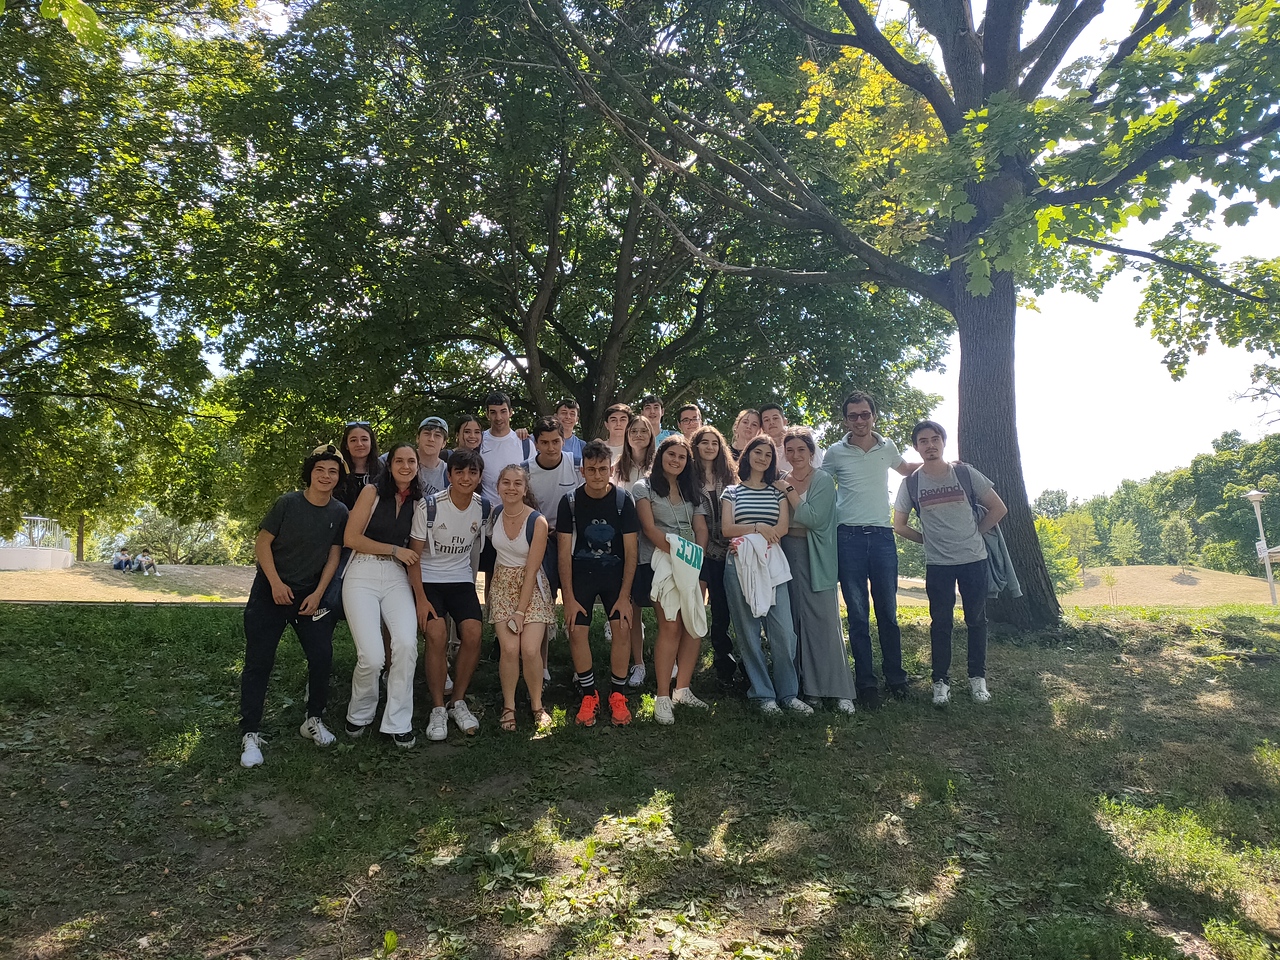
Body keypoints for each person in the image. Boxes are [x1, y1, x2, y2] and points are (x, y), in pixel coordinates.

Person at [238, 444, 349, 768]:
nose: (326, 476)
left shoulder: (339, 512)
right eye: (320, 470)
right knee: (259, 662)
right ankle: (250, 732)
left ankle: (313, 719)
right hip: (270, 592)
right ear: (310, 473)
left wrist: (319, 593)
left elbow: (334, 555)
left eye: (332, 471)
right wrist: (274, 583)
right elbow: (262, 543)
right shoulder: (288, 503)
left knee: (322, 656)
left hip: (308, 597)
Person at [893, 420, 1007, 707]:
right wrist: (927, 540)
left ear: (943, 442)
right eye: (923, 441)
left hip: (974, 560)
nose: (930, 445)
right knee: (940, 624)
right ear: (916, 446)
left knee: (977, 621)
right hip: (938, 564)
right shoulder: (911, 483)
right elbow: (899, 525)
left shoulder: (965, 473)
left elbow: (998, 507)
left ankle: (977, 679)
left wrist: (975, 533)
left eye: (935, 439)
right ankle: (940, 682)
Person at [821, 390, 916, 707]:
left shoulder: (887, 446)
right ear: (845, 419)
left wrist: (941, 462)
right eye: (853, 416)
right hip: (847, 537)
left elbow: (906, 470)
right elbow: (820, 486)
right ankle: (866, 684)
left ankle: (897, 679)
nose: (859, 420)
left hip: (882, 538)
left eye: (865, 414)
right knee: (858, 616)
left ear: (874, 416)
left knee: (888, 613)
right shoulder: (835, 452)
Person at [721, 436, 811, 715]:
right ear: (746, 456)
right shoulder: (731, 492)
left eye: (768, 455)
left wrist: (750, 529)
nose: (762, 458)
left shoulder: (777, 492)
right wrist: (759, 526)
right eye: (757, 452)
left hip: (772, 565)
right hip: (740, 565)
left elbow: (782, 528)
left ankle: (788, 694)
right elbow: (726, 529)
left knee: (784, 632)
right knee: (748, 631)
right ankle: (763, 694)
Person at [343, 443, 423, 747]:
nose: (405, 466)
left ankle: (398, 721)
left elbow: (416, 548)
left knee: (405, 644)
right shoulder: (372, 493)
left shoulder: (419, 501)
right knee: (373, 657)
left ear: (417, 466)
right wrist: (393, 549)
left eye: (411, 461)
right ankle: (360, 712)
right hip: (361, 571)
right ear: (389, 466)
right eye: (399, 461)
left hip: (395, 574)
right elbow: (351, 538)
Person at [409, 448, 489, 741]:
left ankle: (457, 700)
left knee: (473, 634)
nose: (466, 478)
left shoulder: (484, 508)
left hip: (460, 580)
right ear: (449, 475)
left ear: (480, 477)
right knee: (438, 635)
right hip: (429, 580)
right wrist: (419, 598)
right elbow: (414, 557)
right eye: (460, 472)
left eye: (472, 472)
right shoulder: (428, 507)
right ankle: (438, 707)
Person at [557, 440, 639, 727]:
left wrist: (625, 596)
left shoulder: (623, 500)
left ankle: (618, 693)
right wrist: (568, 597)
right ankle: (589, 693)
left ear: (611, 469)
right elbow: (563, 552)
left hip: (614, 575)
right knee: (577, 630)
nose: (597, 475)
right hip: (582, 574)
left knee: (622, 627)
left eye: (602, 469)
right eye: (591, 470)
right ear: (582, 470)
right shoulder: (569, 501)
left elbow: (631, 552)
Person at [633, 434, 710, 725]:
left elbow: (700, 527)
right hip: (659, 562)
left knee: (692, 625)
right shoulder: (644, 487)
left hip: (692, 562)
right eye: (671, 455)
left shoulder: (694, 489)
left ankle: (683, 689)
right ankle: (662, 696)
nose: (676, 460)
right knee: (670, 626)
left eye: (682, 456)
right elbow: (649, 529)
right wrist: (679, 556)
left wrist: (695, 557)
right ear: (660, 455)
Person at [778, 428, 856, 713]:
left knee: (824, 622)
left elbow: (811, 518)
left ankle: (839, 690)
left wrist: (787, 491)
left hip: (816, 555)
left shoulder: (822, 480)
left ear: (811, 453)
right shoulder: (782, 479)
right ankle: (808, 688)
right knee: (796, 622)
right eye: (790, 450)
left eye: (801, 449)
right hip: (787, 554)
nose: (795, 455)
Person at [489, 464, 554, 731]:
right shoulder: (494, 515)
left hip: (532, 587)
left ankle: (537, 704)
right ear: (499, 487)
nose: (511, 488)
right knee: (510, 649)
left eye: (518, 483)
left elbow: (531, 570)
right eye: (506, 482)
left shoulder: (537, 521)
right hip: (502, 586)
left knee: (529, 649)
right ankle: (509, 706)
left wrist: (520, 610)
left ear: (525, 489)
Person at [524, 416, 581, 672]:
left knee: (576, 598)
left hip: (571, 537)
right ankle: (542, 666)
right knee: (543, 600)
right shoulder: (524, 470)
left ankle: (579, 665)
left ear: (563, 440)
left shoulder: (576, 464)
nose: (551, 447)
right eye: (544, 442)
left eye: (556, 441)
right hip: (539, 539)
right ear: (536, 444)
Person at [691, 424, 741, 689]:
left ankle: (725, 667)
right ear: (696, 446)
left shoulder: (730, 476)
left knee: (723, 611)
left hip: (727, 551)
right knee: (692, 608)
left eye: (714, 443)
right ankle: (686, 664)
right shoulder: (688, 476)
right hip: (697, 551)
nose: (710, 447)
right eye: (704, 442)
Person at [615, 413, 656, 686]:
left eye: (643, 431)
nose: (638, 435)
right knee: (632, 607)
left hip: (655, 543)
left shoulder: (659, 466)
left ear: (651, 435)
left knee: (666, 606)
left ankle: (671, 661)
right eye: (634, 431)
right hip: (627, 543)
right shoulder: (617, 467)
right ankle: (638, 663)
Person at [479, 392, 529, 502]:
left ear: (510, 412)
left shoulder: (525, 443)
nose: (498, 417)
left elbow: (532, 481)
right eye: (493, 412)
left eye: (503, 411)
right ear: (487, 414)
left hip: (517, 513)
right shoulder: (478, 441)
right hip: (485, 512)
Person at [337, 421, 382, 509]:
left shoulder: (383, 472)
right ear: (346, 445)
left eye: (364, 439)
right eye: (353, 440)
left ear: (371, 443)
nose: (359, 444)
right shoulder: (337, 472)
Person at [413, 416, 450, 495]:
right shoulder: (397, 459)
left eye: (437, 436)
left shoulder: (448, 473)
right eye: (427, 434)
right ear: (418, 438)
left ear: (444, 443)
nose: (431, 439)